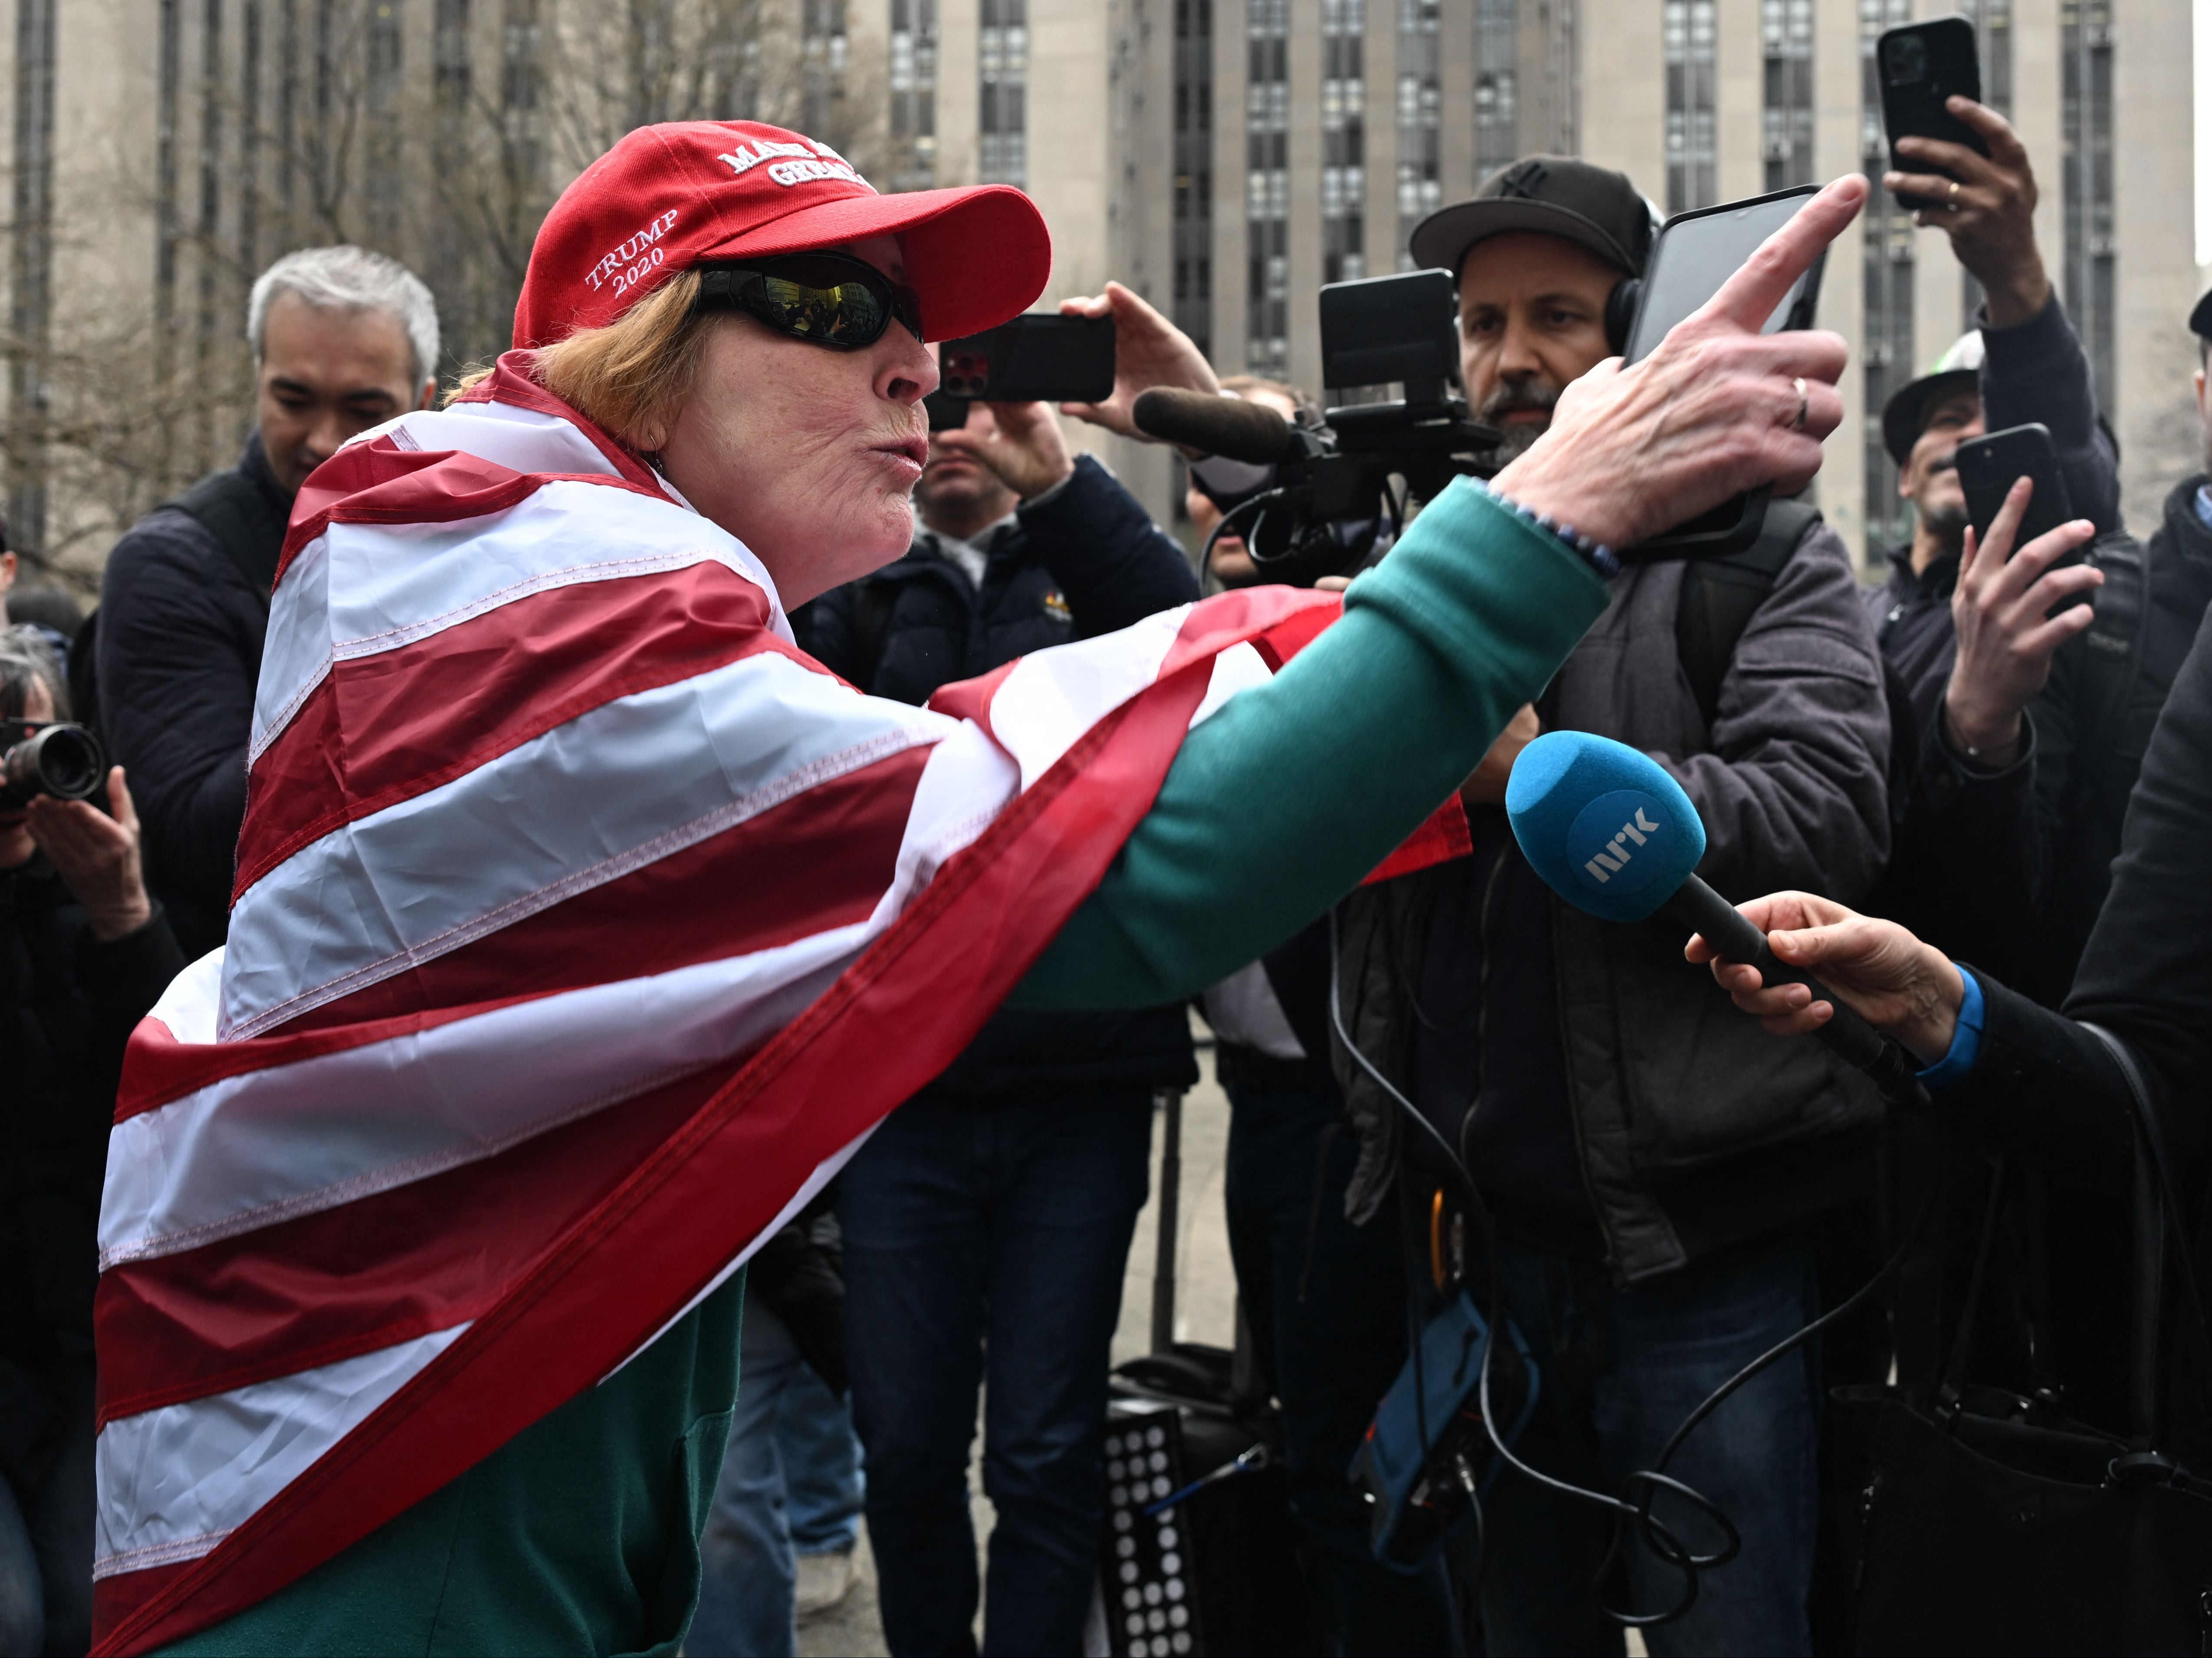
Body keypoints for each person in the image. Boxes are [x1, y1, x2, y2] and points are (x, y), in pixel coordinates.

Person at [89, 117, 1861, 1657]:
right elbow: (1118, 859)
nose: (917, 366)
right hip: (378, 1546)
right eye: (835, 303)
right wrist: (1548, 520)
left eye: (925, 324)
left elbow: (1042, 739)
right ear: (635, 341)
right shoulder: (532, 601)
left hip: (424, 1498)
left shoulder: (534, 565)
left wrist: (1422, 531)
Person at [1319, 156, 1891, 1657]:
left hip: (1709, 1261)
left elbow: (1824, 814)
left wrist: (1542, 779)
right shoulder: (1416, 569)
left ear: (1640, 328)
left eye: (1557, 315)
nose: (1511, 359)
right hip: (1483, 1261)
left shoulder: (1761, 553)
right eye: (1482, 321)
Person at [796, 376, 1202, 1651]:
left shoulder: (1082, 561)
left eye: (983, 401)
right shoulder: (849, 593)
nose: (954, 428)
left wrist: (1067, 486)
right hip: (902, 1102)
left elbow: (1203, 648)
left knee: (1043, 1446)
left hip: (1079, 1097)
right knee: (906, 1446)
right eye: (930, 399)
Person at [1176, 376, 1458, 1653]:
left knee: (1369, 1451)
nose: (1237, 519)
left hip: (1370, 1116)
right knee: (1305, 1424)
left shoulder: (1371, 632)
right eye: (1218, 497)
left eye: (1272, 489)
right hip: (1260, 1101)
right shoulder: (1204, 647)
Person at [95, 247, 440, 960]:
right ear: (257, 384)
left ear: (424, 401)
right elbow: (199, 838)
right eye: (294, 401)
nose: (323, 440)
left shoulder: (464, 544)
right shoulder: (170, 563)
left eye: (363, 410)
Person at [0, 632, 185, 1657]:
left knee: (92, 1617)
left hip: (80, 1347)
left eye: (32, 742)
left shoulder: (96, 907)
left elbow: (182, 1109)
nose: (17, 774)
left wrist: (125, 915)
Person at [690, 1202, 864, 1656]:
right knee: (719, 1488)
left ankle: (823, 1523)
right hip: (703, 1228)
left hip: (805, 1197)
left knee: (816, 1356)